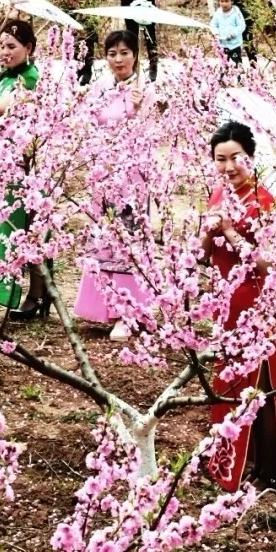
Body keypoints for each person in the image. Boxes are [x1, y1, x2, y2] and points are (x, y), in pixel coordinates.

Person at [201, 121, 276, 493]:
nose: (228, 167)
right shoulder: (218, 195)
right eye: (220, 159)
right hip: (225, 304)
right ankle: (231, 466)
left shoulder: (264, 201)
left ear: (250, 158)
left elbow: (269, 263)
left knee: (261, 386)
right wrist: (208, 232)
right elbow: (201, 255)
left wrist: (231, 232)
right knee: (230, 382)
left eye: (235, 158)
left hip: (254, 303)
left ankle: (268, 470)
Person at [73, 30, 157, 340]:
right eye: (112, 53)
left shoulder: (146, 91)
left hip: (131, 178)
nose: (118, 59)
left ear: (135, 55)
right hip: (103, 173)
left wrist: (137, 111)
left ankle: (130, 312)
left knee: (128, 242)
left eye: (124, 53)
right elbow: (89, 125)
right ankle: (104, 307)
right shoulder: (99, 89)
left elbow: (149, 137)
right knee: (104, 240)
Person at [0, 19, 49, 319]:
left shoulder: (29, 79)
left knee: (24, 229)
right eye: (2, 46)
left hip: (23, 164)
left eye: (12, 46)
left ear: (28, 48)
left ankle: (34, 295)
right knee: (9, 230)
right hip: (3, 162)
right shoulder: (5, 77)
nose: (5, 51)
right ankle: (21, 296)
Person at [211, 0, 246, 65]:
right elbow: (213, 25)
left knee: (237, 65)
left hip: (234, 44)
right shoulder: (218, 13)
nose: (224, 4)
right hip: (222, 44)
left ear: (232, 1)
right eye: (222, 1)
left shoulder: (236, 12)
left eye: (226, 1)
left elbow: (241, 25)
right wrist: (216, 34)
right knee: (223, 66)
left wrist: (233, 34)